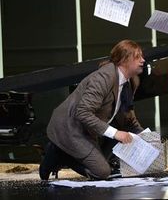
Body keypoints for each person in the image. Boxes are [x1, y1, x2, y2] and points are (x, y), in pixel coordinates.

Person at [39, 39, 146, 180]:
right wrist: (115, 133)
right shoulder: (104, 77)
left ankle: (67, 153)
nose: (143, 60)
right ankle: (58, 153)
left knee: (107, 162)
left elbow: (127, 116)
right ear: (124, 60)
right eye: (138, 57)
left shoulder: (132, 81)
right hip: (71, 127)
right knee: (102, 172)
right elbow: (82, 112)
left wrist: (145, 136)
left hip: (90, 129)